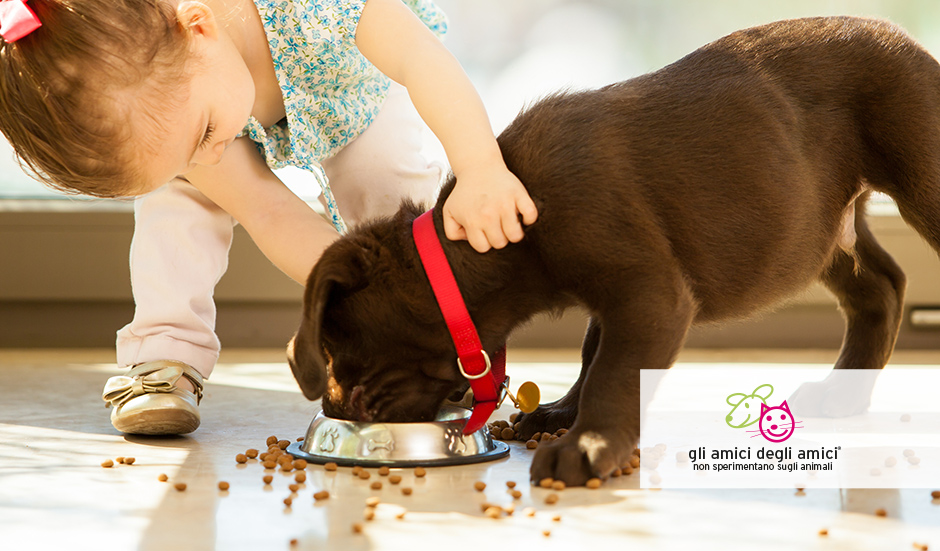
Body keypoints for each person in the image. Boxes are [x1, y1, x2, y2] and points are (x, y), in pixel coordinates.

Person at [0, 0, 538, 435]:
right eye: (190, 151)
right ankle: (162, 358)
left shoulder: (316, 7)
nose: (209, 156)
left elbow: (423, 59)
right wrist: (350, 296)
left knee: (388, 185)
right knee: (177, 201)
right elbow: (267, 209)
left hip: (355, 93)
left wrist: (480, 167)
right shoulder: (190, 121)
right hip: (223, 108)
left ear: (200, 27)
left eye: (204, 134)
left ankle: (430, 341)